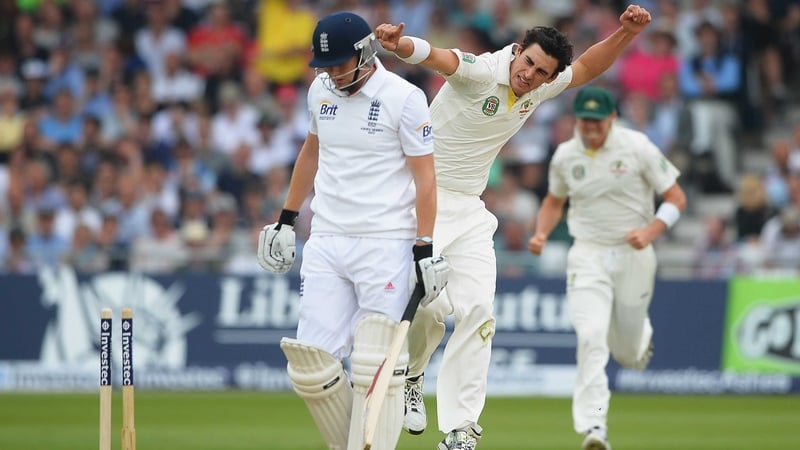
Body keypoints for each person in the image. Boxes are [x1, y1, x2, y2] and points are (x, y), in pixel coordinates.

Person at [374, 4, 652, 449]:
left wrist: (624, 33)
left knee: (479, 313)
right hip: (420, 200)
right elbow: (440, 56)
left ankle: (461, 428)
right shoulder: (483, 71)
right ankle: (413, 373)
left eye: (542, 72)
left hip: (469, 210)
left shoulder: (541, 85)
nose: (530, 76)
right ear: (517, 51)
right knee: (424, 303)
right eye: (527, 63)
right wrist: (399, 45)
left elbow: (584, 68)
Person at [256, 11, 449, 450]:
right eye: (323, 64)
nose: (328, 73)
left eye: (338, 63)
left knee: (376, 364)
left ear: (365, 53)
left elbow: (426, 179)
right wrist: (286, 218)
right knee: (311, 366)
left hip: (386, 241)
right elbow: (311, 153)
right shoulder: (319, 90)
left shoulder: (404, 97)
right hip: (325, 237)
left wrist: (425, 246)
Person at [528, 86, 687, 450]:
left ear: (612, 117)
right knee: (590, 336)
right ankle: (594, 428)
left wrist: (651, 231)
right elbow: (554, 201)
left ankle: (639, 338)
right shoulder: (566, 155)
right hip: (587, 254)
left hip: (633, 253)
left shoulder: (637, 147)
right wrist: (541, 233)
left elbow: (677, 198)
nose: (591, 128)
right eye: (584, 121)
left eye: (597, 121)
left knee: (628, 354)